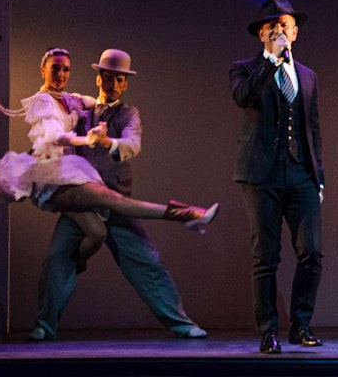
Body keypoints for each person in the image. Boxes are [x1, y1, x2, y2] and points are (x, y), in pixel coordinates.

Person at [30, 48, 207, 341]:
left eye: (119, 79)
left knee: (146, 261)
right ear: (99, 79)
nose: (112, 83)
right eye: (107, 77)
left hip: (116, 203)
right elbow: (52, 121)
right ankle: (44, 324)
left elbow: (131, 145)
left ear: (125, 84)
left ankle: (181, 323)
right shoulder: (81, 111)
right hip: (82, 204)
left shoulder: (128, 114)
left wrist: (106, 141)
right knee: (56, 258)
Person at [0, 48, 217, 249]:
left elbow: (99, 109)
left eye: (66, 70)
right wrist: (89, 140)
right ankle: (187, 215)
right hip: (53, 175)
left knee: (97, 233)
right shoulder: (43, 102)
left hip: (69, 173)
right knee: (115, 201)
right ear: (43, 70)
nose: (61, 74)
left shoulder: (73, 100)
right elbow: (54, 136)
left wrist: (103, 122)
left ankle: (76, 263)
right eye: (55, 68)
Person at [229, 0, 324, 354]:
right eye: (272, 26)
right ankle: (268, 330)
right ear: (262, 35)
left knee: (312, 252)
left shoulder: (309, 77)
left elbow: (312, 128)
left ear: (295, 32)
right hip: (261, 176)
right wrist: (271, 60)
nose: (279, 30)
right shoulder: (243, 69)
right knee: (265, 256)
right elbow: (244, 97)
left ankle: (301, 325)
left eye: (284, 25)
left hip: (301, 172)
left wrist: (319, 178)